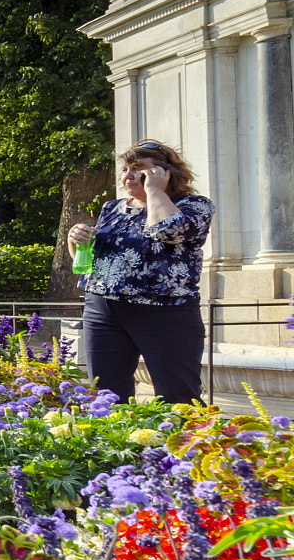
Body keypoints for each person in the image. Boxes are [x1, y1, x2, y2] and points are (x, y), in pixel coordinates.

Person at [66, 139, 215, 404]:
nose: (128, 175)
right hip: (103, 310)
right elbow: (91, 264)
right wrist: (75, 240)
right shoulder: (112, 208)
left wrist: (155, 191)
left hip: (165, 312)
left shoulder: (194, 206)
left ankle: (185, 445)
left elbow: (167, 230)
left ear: (164, 173)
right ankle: (119, 444)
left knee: (178, 396)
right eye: (124, 169)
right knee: (106, 395)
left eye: (138, 168)